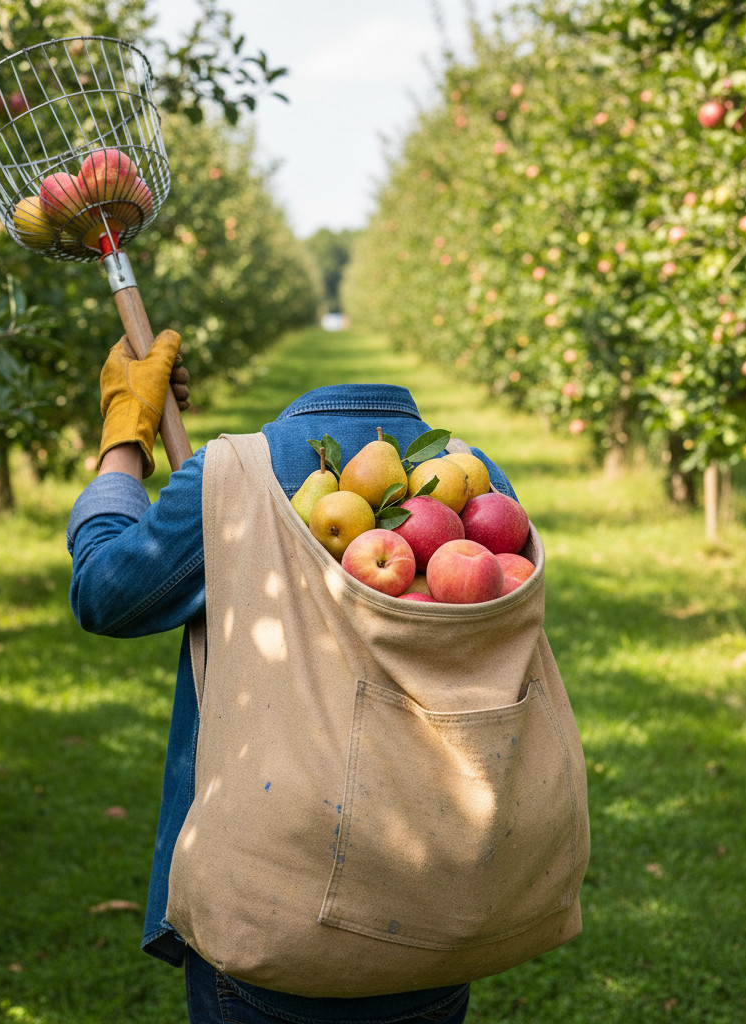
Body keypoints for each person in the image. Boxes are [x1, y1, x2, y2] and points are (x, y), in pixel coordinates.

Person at [67, 330, 522, 1024]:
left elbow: (105, 589)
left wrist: (123, 435)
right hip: (435, 909)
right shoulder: (477, 483)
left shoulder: (232, 480)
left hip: (273, 920)